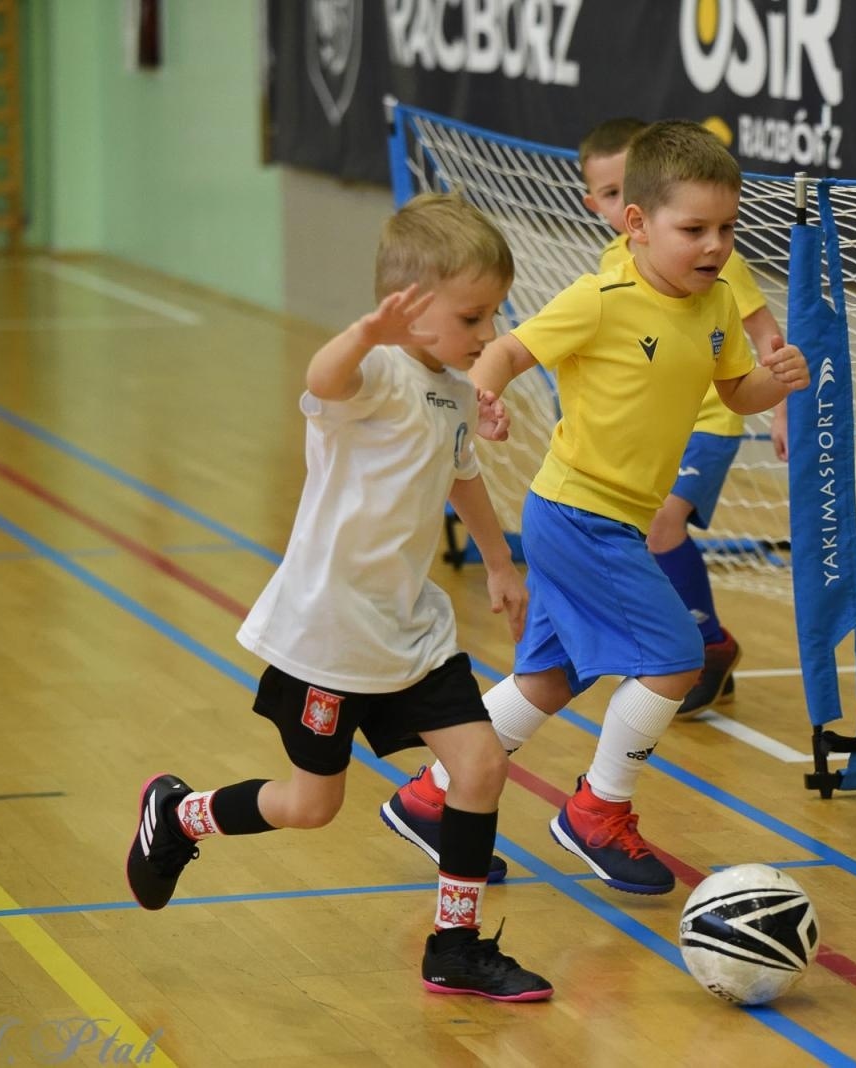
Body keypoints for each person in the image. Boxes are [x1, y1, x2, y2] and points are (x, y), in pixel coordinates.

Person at [125, 193, 552, 1002]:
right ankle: (182, 816)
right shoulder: (372, 375)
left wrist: (500, 561)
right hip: (330, 634)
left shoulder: (455, 391)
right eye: (472, 318)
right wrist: (366, 333)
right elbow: (323, 376)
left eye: (495, 314)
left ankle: (453, 945)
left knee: (482, 763)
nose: (488, 335)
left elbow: (462, 475)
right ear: (410, 313)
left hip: (411, 627)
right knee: (310, 805)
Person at [384, 121, 810, 895]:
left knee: (550, 678)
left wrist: (775, 381)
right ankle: (596, 812)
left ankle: (432, 797)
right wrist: (484, 390)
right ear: (637, 225)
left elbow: (735, 391)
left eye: (727, 228)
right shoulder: (601, 299)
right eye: (694, 229)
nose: (715, 245)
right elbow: (511, 349)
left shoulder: (715, 306)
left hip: (596, 520)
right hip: (581, 515)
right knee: (678, 657)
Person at [576, 117, 791, 716]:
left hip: (712, 418)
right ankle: (696, 647)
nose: (624, 206)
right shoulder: (611, 264)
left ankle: (708, 643)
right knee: (642, 533)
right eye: (611, 194)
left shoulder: (712, 261)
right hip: (657, 428)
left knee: (662, 527)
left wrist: (781, 410)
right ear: (596, 203)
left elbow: (763, 330)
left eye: (630, 188)